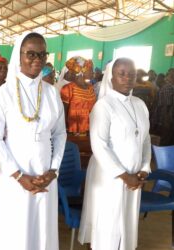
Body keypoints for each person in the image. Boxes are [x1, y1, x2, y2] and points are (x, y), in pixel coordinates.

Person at [0, 32, 67, 250]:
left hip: (45, 173)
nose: (37, 59)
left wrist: (54, 170)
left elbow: (60, 134)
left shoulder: (52, 93)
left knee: (41, 229)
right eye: (30, 54)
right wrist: (18, 175)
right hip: (12, 173)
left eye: (42, 54)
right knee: (13, 230)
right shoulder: (4, 92)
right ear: (19, 55)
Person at [78, 58, 151, 250]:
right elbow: (99, 145)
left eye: (132, 74)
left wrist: (144, 168)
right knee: (107, 225)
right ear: (111, 77)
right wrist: (125, 175)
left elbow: (145, 139)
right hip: (109, 176)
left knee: (126, 223)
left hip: (134, 176)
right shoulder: (104, 106)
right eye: (122, 74)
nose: (127, 78)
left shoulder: (140, 104)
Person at [60, 56, 96, 135]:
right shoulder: (68, 88)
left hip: (91, 130)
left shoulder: (91, 88)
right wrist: (64, 130)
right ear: (81, 71)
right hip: (74, 132)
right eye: (90, 70)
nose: (93, 73)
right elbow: (63, 112)